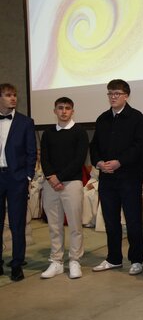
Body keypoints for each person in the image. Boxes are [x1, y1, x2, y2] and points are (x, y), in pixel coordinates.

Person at [90, 79, 143, 275]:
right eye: (110, 93)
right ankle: (114, 258)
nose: (113, 97)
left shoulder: (137, 118)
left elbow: (139, 147)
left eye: (117, 94)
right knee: (110, 220)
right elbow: (94, 146)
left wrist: (120, 162)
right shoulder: (102, 119)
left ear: (126, 96)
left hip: (129, 178)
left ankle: (136, 259)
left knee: (133, 220)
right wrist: (99, 162)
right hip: (107, 178)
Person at [40, 97, 89, 279]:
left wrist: (59, 178)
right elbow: (44, 158)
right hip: (51, 184)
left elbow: (79, 159)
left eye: (67, 108)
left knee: (75, 225)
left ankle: (74, 260)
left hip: (72, 183)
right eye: (60, 108)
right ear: (55, 111)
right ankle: (56, 261)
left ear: (72, 111)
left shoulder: (80, 132)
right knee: (54, 226)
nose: (64, 111)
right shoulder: (48, 133)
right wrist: (51, 177)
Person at [0, 83, 36, 281]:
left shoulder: (25, 122)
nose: (13, 98)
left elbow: (31, 152)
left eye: (14, 95)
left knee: (17, 223)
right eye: (8, 95)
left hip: (17, 179)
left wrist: (28, 176)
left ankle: (16, 264)